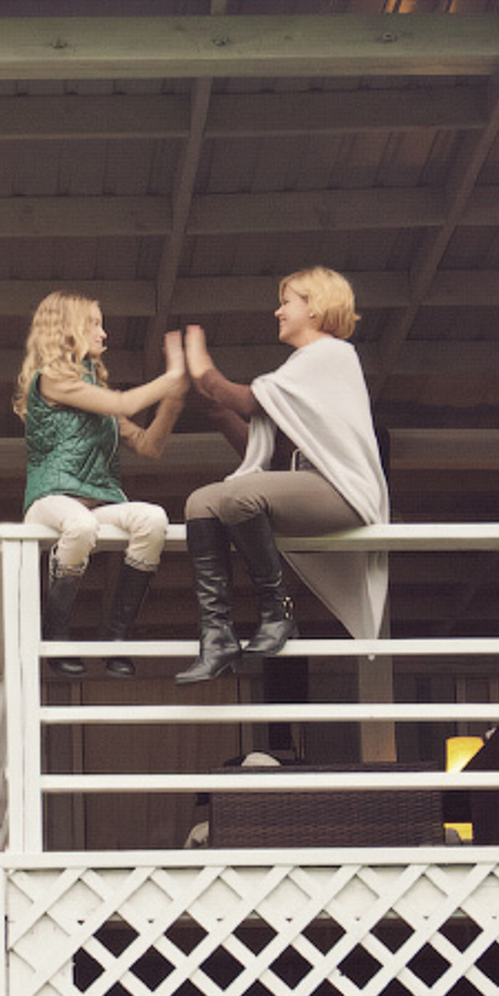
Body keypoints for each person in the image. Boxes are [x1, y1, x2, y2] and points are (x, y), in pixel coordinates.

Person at [175, 266, 390, 686]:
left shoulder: (330, 353)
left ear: (315, 308)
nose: (278, 311)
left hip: (344, 493)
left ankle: (277, 614)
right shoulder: (303, 367)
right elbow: (265, 462)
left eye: (287, 301)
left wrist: (203, 371)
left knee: (239, 496)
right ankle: (216, 636)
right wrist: (218, 411)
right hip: (314, 489)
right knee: (200, 501)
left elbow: (249, 401)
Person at [15, 292, 188, 679]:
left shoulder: (97, 395)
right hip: (51, 499)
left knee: (153, 519)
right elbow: (125, 404)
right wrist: (171, 376)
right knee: (80, 526)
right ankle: (56, 633)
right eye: (94, 323)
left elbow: (149, 445)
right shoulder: (53, 378)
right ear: (67, 328)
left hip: (99, 499)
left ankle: (117, 639)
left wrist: (173, 402)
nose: (104, 334)